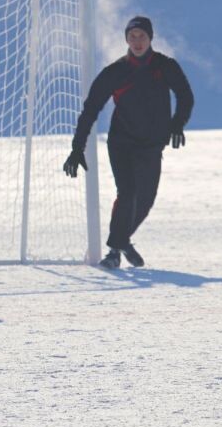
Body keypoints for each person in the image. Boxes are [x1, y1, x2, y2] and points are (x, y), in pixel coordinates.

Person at [64, 16, 193, 268]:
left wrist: (177, 123)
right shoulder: (115, 72)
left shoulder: (165, 66)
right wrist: (77, 147)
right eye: (132, 36)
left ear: (150, 38)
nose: (137, 41)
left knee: (145, 199)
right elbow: (90, 109)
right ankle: (114, 251)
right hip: (121, 142)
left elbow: (185, 96)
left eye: (141, 36)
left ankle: (122, 240)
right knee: (128, 193)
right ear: (126, 39)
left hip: (152, 144)